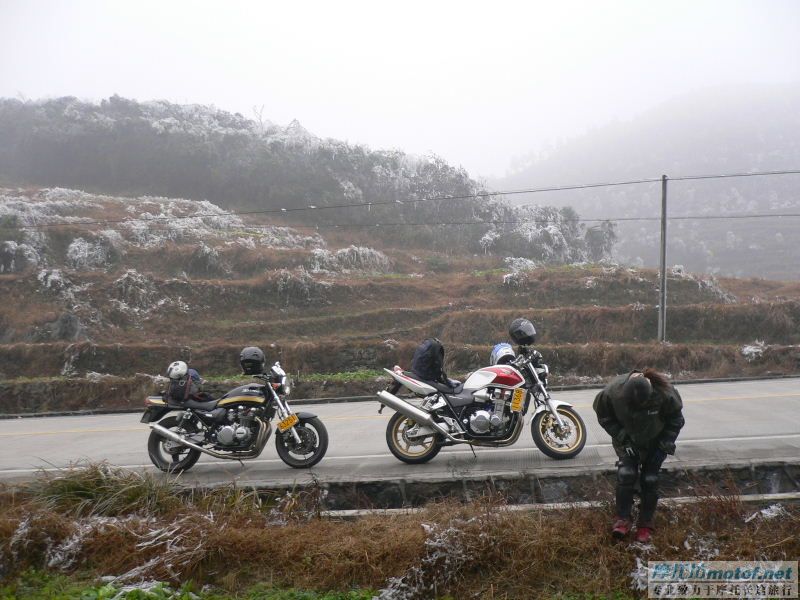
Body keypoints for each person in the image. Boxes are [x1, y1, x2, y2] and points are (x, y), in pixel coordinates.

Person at [592, 369, 685, 543]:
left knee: (650, 478)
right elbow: (605, 418)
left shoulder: (665, 393)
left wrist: (664, 446)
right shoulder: (611, 393)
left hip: (655, 442)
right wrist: (623, 439)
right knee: (626, 474)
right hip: (626, 441)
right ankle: (622, 518)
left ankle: (645, 523)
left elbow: (676, 420)